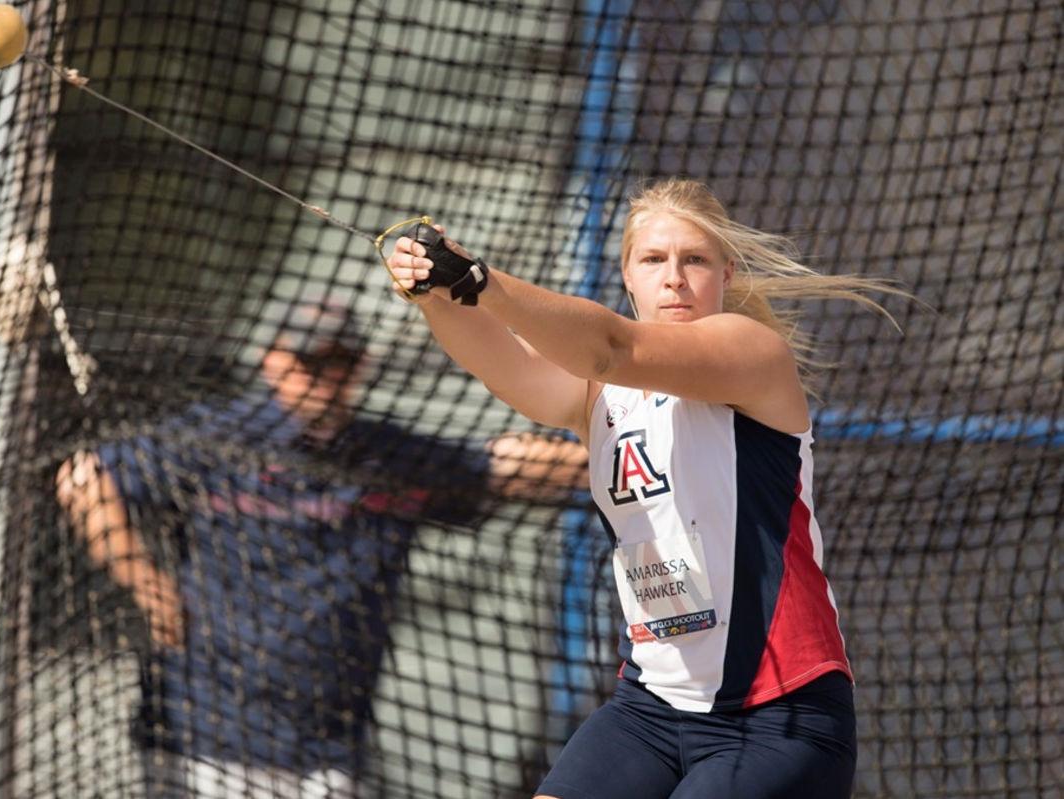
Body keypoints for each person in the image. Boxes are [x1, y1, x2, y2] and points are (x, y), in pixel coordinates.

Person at [385, 177, 905, 799]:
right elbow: (506, 365)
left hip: (778, 715)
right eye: (654, 260)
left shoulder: (750, 352)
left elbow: (609, 347)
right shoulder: (597, 393)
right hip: (651, 707)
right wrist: (434, 289)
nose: (675, 278)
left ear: (728, 274)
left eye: (696, 260)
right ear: (628, 275)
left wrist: (481, 282)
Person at [54, 301, 587, 799]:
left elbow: (498, 468)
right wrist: (150, 587)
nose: (323, 378)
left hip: (325, 751)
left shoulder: (388, 459)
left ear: (359, 369)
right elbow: (85, 477)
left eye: (339, 363)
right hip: (200, 737)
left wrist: (621, 440)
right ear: (273, 361)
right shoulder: (222, 438)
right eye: (309, 361)